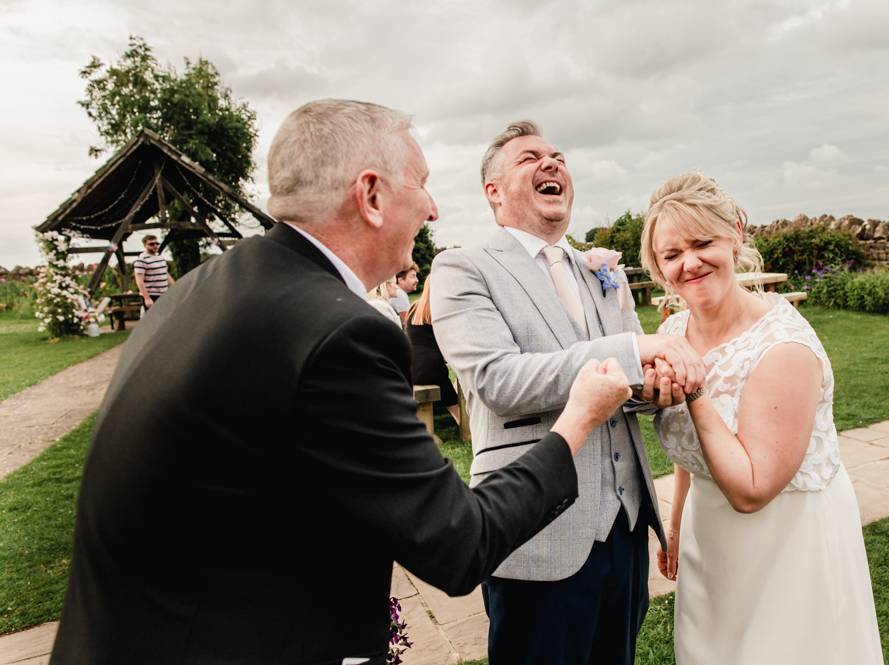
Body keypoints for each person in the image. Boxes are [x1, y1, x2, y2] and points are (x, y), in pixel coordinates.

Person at [49, 100, 637, 665]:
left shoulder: (210, 285)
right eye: (422, 184)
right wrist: (578, 417)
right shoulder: (338, 333)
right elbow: (457, 543)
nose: (433, 210)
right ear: (372, 195)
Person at [430, 121, 705, 665]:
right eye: (530, 157)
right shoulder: (462, 268)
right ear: (493, 191)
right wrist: (635, 349)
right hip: (537, 532)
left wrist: (657, 388)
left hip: (625, 528)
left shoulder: (600, 270)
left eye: (558, 155)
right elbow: (498, 381)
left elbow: (624, 385)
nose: (552, 163)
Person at [641, 171, 883, 664]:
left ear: (735, 235)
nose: (690, 263)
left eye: (702, 242)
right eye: (671, 255)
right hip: (711, 542)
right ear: (659, 267)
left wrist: (694, 391)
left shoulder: (782, 348)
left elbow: (752, 489)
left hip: (787, 543)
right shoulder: (673, 329)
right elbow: (693, 450)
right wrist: (677, 521)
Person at [405, 275, 460, 425]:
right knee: (452, 399)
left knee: (448, 387)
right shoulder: (442, 309)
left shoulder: (413, 307)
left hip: (411, 369)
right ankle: (465, 426)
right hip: (433, 369)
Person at [134, 234, 174, 309]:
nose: (155, 246)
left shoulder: (160, 257)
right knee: (154, 319)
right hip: (152, 294)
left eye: (157, 244)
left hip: (164, 293)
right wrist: (147, 298)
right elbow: (139, 280)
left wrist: (175, 287)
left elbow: (165, 274)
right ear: (145, 245)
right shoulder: (142, 260)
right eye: (152, 244)